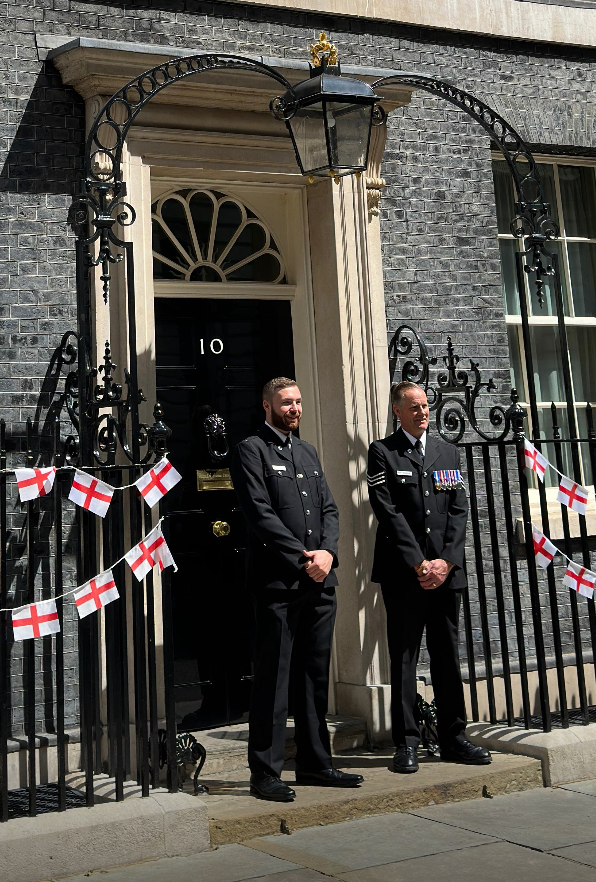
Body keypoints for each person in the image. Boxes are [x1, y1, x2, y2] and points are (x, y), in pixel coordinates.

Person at [230, 377, 363, 801]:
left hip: (320, 582)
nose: (294, 409)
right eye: (286, 403)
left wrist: (327, 554)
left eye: (298, 402)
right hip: (280, 582)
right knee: (274, 678)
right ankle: (265, 772)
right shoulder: (251, 449)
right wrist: (304, 558)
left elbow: (329, 508)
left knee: (313, 678)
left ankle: (315, 764)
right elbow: (259, 514)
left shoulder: (306, 451)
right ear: (266, 406)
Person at [367, 381, 491, 773]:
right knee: (404, 658)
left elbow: (458, 509)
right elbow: (388, 513)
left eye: (425, 405)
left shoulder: (446, 452)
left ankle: (454, 736)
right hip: (406, 575)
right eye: (414, 406)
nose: (422, 412)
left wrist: (446, 563)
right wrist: (419, 563)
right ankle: (406, 744)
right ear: (397, 411)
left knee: (447, 656)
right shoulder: (382, 453)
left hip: (444, 574)